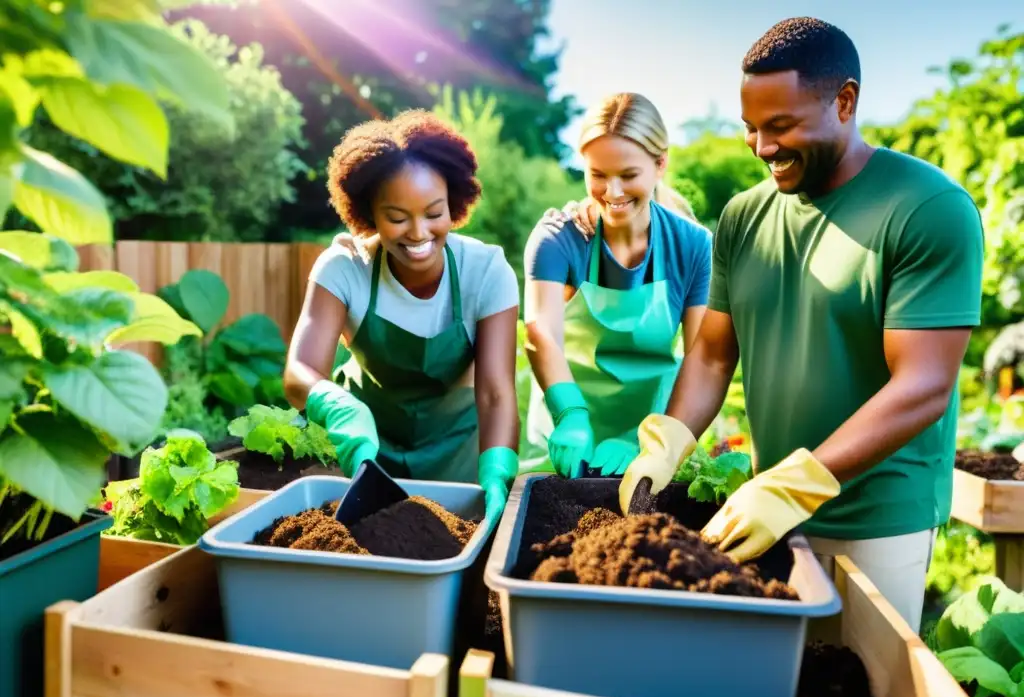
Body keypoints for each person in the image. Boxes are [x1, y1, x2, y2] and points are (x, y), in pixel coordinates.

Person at [616, 17, 984, 633]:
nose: (762, 147)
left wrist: (801, 482)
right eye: (751, 129)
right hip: (768, 510)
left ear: (844, 102)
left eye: (781, 127)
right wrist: (671, 437)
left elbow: (923, 385)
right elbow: (711, 355)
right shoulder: (743, 217)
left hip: (878, 517)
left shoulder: (927, 210)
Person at [283, 109, 521, 519]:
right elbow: (300, 371)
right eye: (396, 217)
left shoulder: (486, 271)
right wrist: (339, 409)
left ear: (454, 204)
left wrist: (498, 468)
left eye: (434, 213)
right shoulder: (345, 268)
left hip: (458, 454)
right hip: (363, 450)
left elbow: (496, 391)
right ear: (368, 213)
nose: (417, 233)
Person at [519, 92, 713, 479]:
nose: (612, 191)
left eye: (627, 175)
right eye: (598, 175)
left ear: (660, 165)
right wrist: (571, 415)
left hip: (652, 434)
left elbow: (702, 360)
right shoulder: (559, 240)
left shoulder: (693, 245)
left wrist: (656, 440)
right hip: (565, 435)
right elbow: (542, 333)